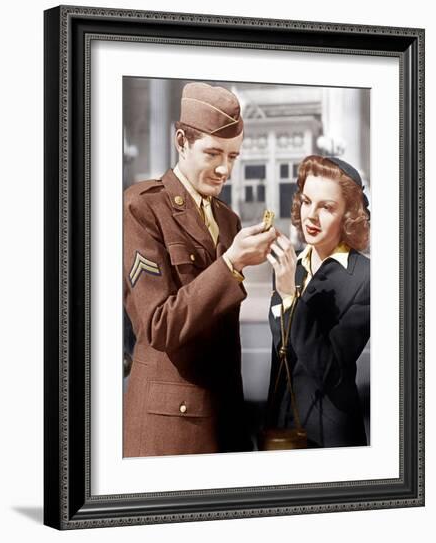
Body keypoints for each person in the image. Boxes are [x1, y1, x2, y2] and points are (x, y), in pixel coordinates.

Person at [124, 82, 276, 457]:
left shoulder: (228, 219)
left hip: (224, 421)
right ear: (181, 141)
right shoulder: (142, 209)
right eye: (213, 153)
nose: (225, 168)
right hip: (170, 430)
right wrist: (231, 263)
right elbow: (159, 326)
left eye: (234, 156)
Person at [265, 155, 370, 448]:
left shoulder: (365, 277)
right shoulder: (294, 266)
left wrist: (289, 297)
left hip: (329, 439)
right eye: (308, 201)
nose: (311, 215)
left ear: (349, 216)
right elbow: (281, 352)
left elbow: (329, 371)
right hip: (283, 429)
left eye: (327, 207)